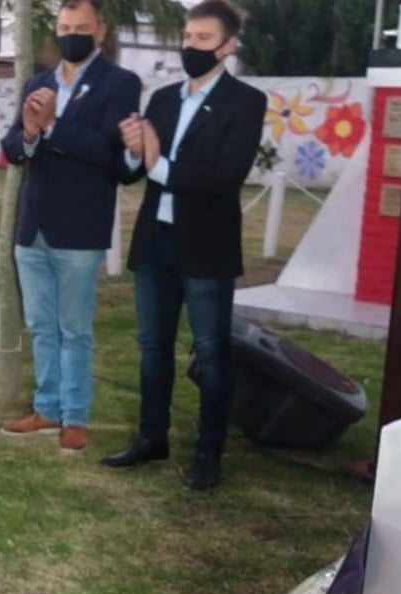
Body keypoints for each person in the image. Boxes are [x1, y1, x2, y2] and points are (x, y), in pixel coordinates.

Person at [102, 0, 266, 490]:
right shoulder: (162, 99)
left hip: (206, 247)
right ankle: (152, 437)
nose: (190, 47)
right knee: (153, 348)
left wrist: (157, 163)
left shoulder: (246, 102)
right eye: (187, 37)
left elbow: (225, 177)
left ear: (228, 45)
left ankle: (208, 452)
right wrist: (135, 153)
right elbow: (131, 173)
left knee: (211, 352)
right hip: (155, 242)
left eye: (202, 39)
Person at [0, 0, 141, 450]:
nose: (71, 35)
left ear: (100, 31)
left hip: (80, 229)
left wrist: (54, 126)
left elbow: (107, 153)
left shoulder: (120, 84)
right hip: (33, 228)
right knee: (41, 325)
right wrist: (30, 132)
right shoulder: (38, 83)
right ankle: (47, 408)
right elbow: (13, 147)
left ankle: (75, 416)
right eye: (64, 27)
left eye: (81, 27)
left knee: (75, 329)